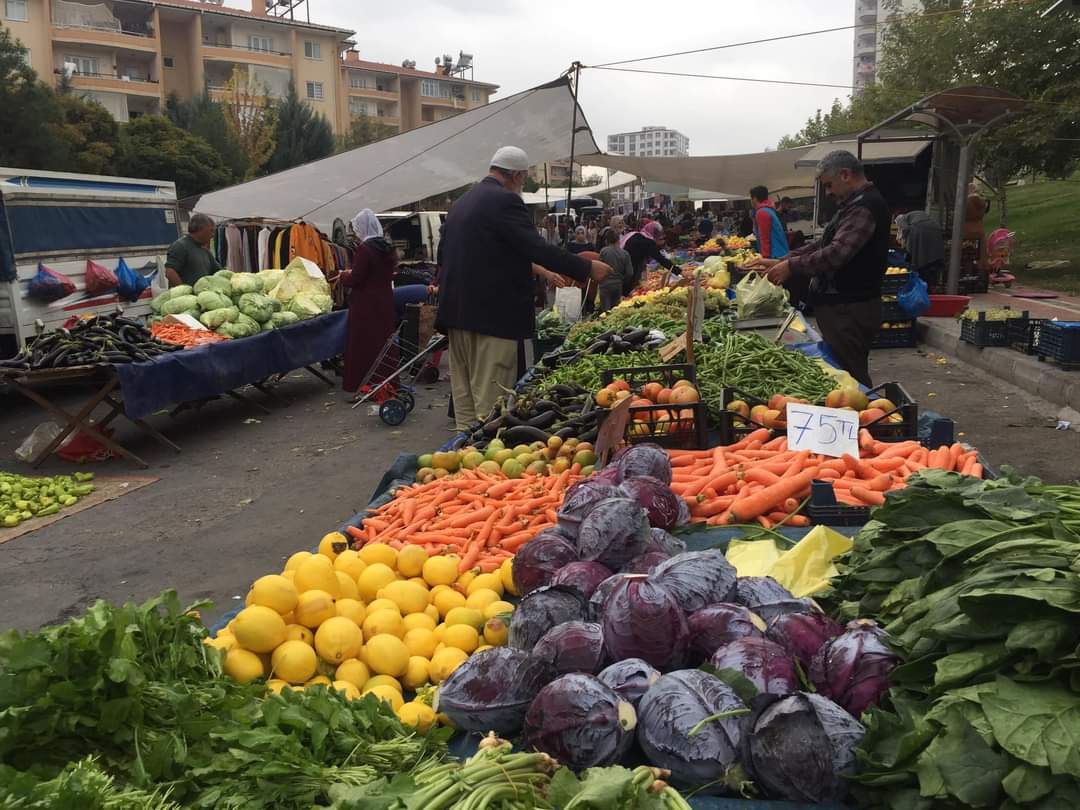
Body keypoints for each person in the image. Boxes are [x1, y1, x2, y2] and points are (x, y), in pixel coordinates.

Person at [436, 146, 612, 430]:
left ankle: (463, 466)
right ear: (516, 175)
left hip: (456, 318)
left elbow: (444, 257)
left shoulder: (462, 203)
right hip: (491, 321)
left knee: (466, 412)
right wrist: (587, 268)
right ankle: (483, 468)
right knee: (491, 410)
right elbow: (536, 247)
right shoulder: (504, 201)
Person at [743, 151, 889, 388]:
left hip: (850, 307)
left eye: (829, 185)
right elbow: (822, 244)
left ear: (845, 175)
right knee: (843, 375)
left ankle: (864, 420)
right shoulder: (852, 205)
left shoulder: (865, 207)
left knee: (851, 378)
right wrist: (784, 260)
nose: (828, 192)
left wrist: (791, 266)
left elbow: (836, 253)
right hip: (842, 305)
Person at [342, 209, 398, 397]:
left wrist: (343, 276)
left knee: (364, 344)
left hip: (365, 304)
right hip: (384, 300)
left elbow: (356, 278)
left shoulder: (365, 249)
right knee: (382, 341)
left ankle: (365, 384)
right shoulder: (387, 248)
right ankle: (386, 382)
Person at [165, 213, 221, 287]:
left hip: (201, 296)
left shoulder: (204, 250)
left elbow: (219, 271)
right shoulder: (181, 246)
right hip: (186, 297)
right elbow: (170, 272)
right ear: (200, 229)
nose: (213, 234)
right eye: (211, 230)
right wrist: (185, 293)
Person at [621, 220, 676, 294]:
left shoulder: (636, 235)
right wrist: (678, 271)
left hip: (623, 266)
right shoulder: (648, 242)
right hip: (630, 269)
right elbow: (661, 259)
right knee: (627, 289)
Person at [896, 211, 944, 287]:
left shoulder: (900, 219)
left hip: (920, 231)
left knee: (917, 256)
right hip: (936, 230)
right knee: (930, 255)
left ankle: (917, 266)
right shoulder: (915, 215)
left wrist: (903, 239)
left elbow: (905, 228)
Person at [750, 186, 790, 259]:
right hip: (781, 252)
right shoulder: (769, 210)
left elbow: (764, 237)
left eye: (751, 198)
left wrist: (765, 258)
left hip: (775, 255)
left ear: (755, 198)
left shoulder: (762, 212)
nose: (751, 201)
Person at [598, 227, 632, 311]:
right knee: (615, 309)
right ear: (618, 239)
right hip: (618, 284)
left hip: (604, 284)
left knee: (605, 311)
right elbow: (630, 273)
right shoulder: (625, 253)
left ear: (606, 241)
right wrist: (623, 280)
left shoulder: (603, 251)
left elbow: (599, 268)